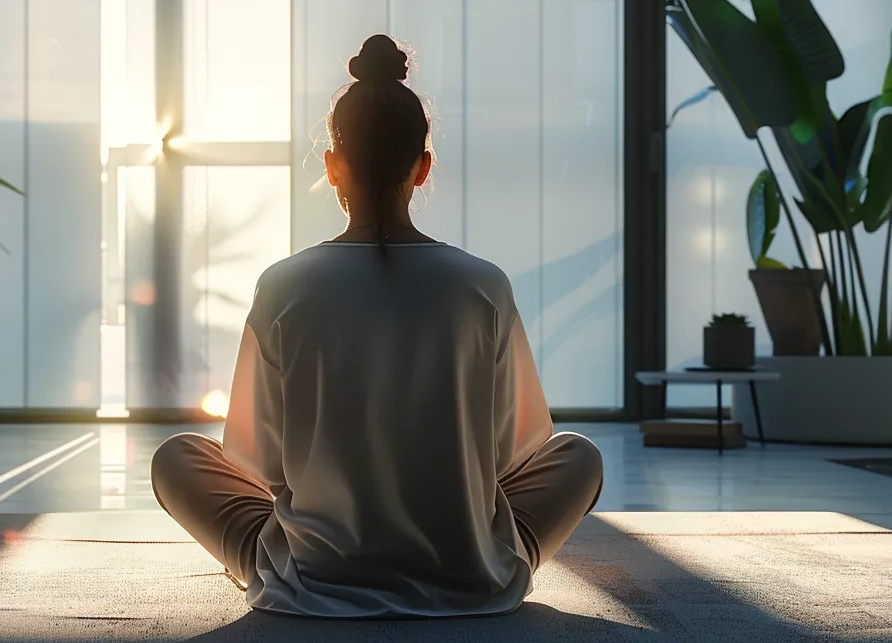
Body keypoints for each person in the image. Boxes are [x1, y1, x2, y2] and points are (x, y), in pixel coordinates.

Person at [151, 34, 603, 619]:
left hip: (315, 576)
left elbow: (261, 462)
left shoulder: (284, 286)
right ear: (423, 167)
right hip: (466, 572)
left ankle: (285, 569)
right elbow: (505, 455)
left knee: (176, 458)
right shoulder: (482, 285)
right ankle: (493, 564)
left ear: (333, 166)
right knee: (579, 457)